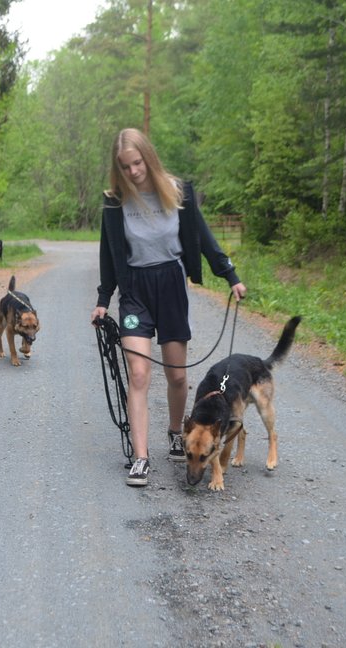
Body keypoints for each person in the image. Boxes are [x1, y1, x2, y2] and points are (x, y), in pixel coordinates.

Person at [90, 128, 247, 487]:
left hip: (171, 286)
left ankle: (176, 431)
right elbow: (108, 256)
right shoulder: (115, 202)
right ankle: (141, 457)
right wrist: (103, 300)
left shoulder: (177, 193)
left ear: (149, 157)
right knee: (140, 374)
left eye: (137, 163)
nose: (132, 172)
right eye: (124, 166)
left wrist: (230, 275)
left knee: (177, 377)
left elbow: (204, 239)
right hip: (134, 292)